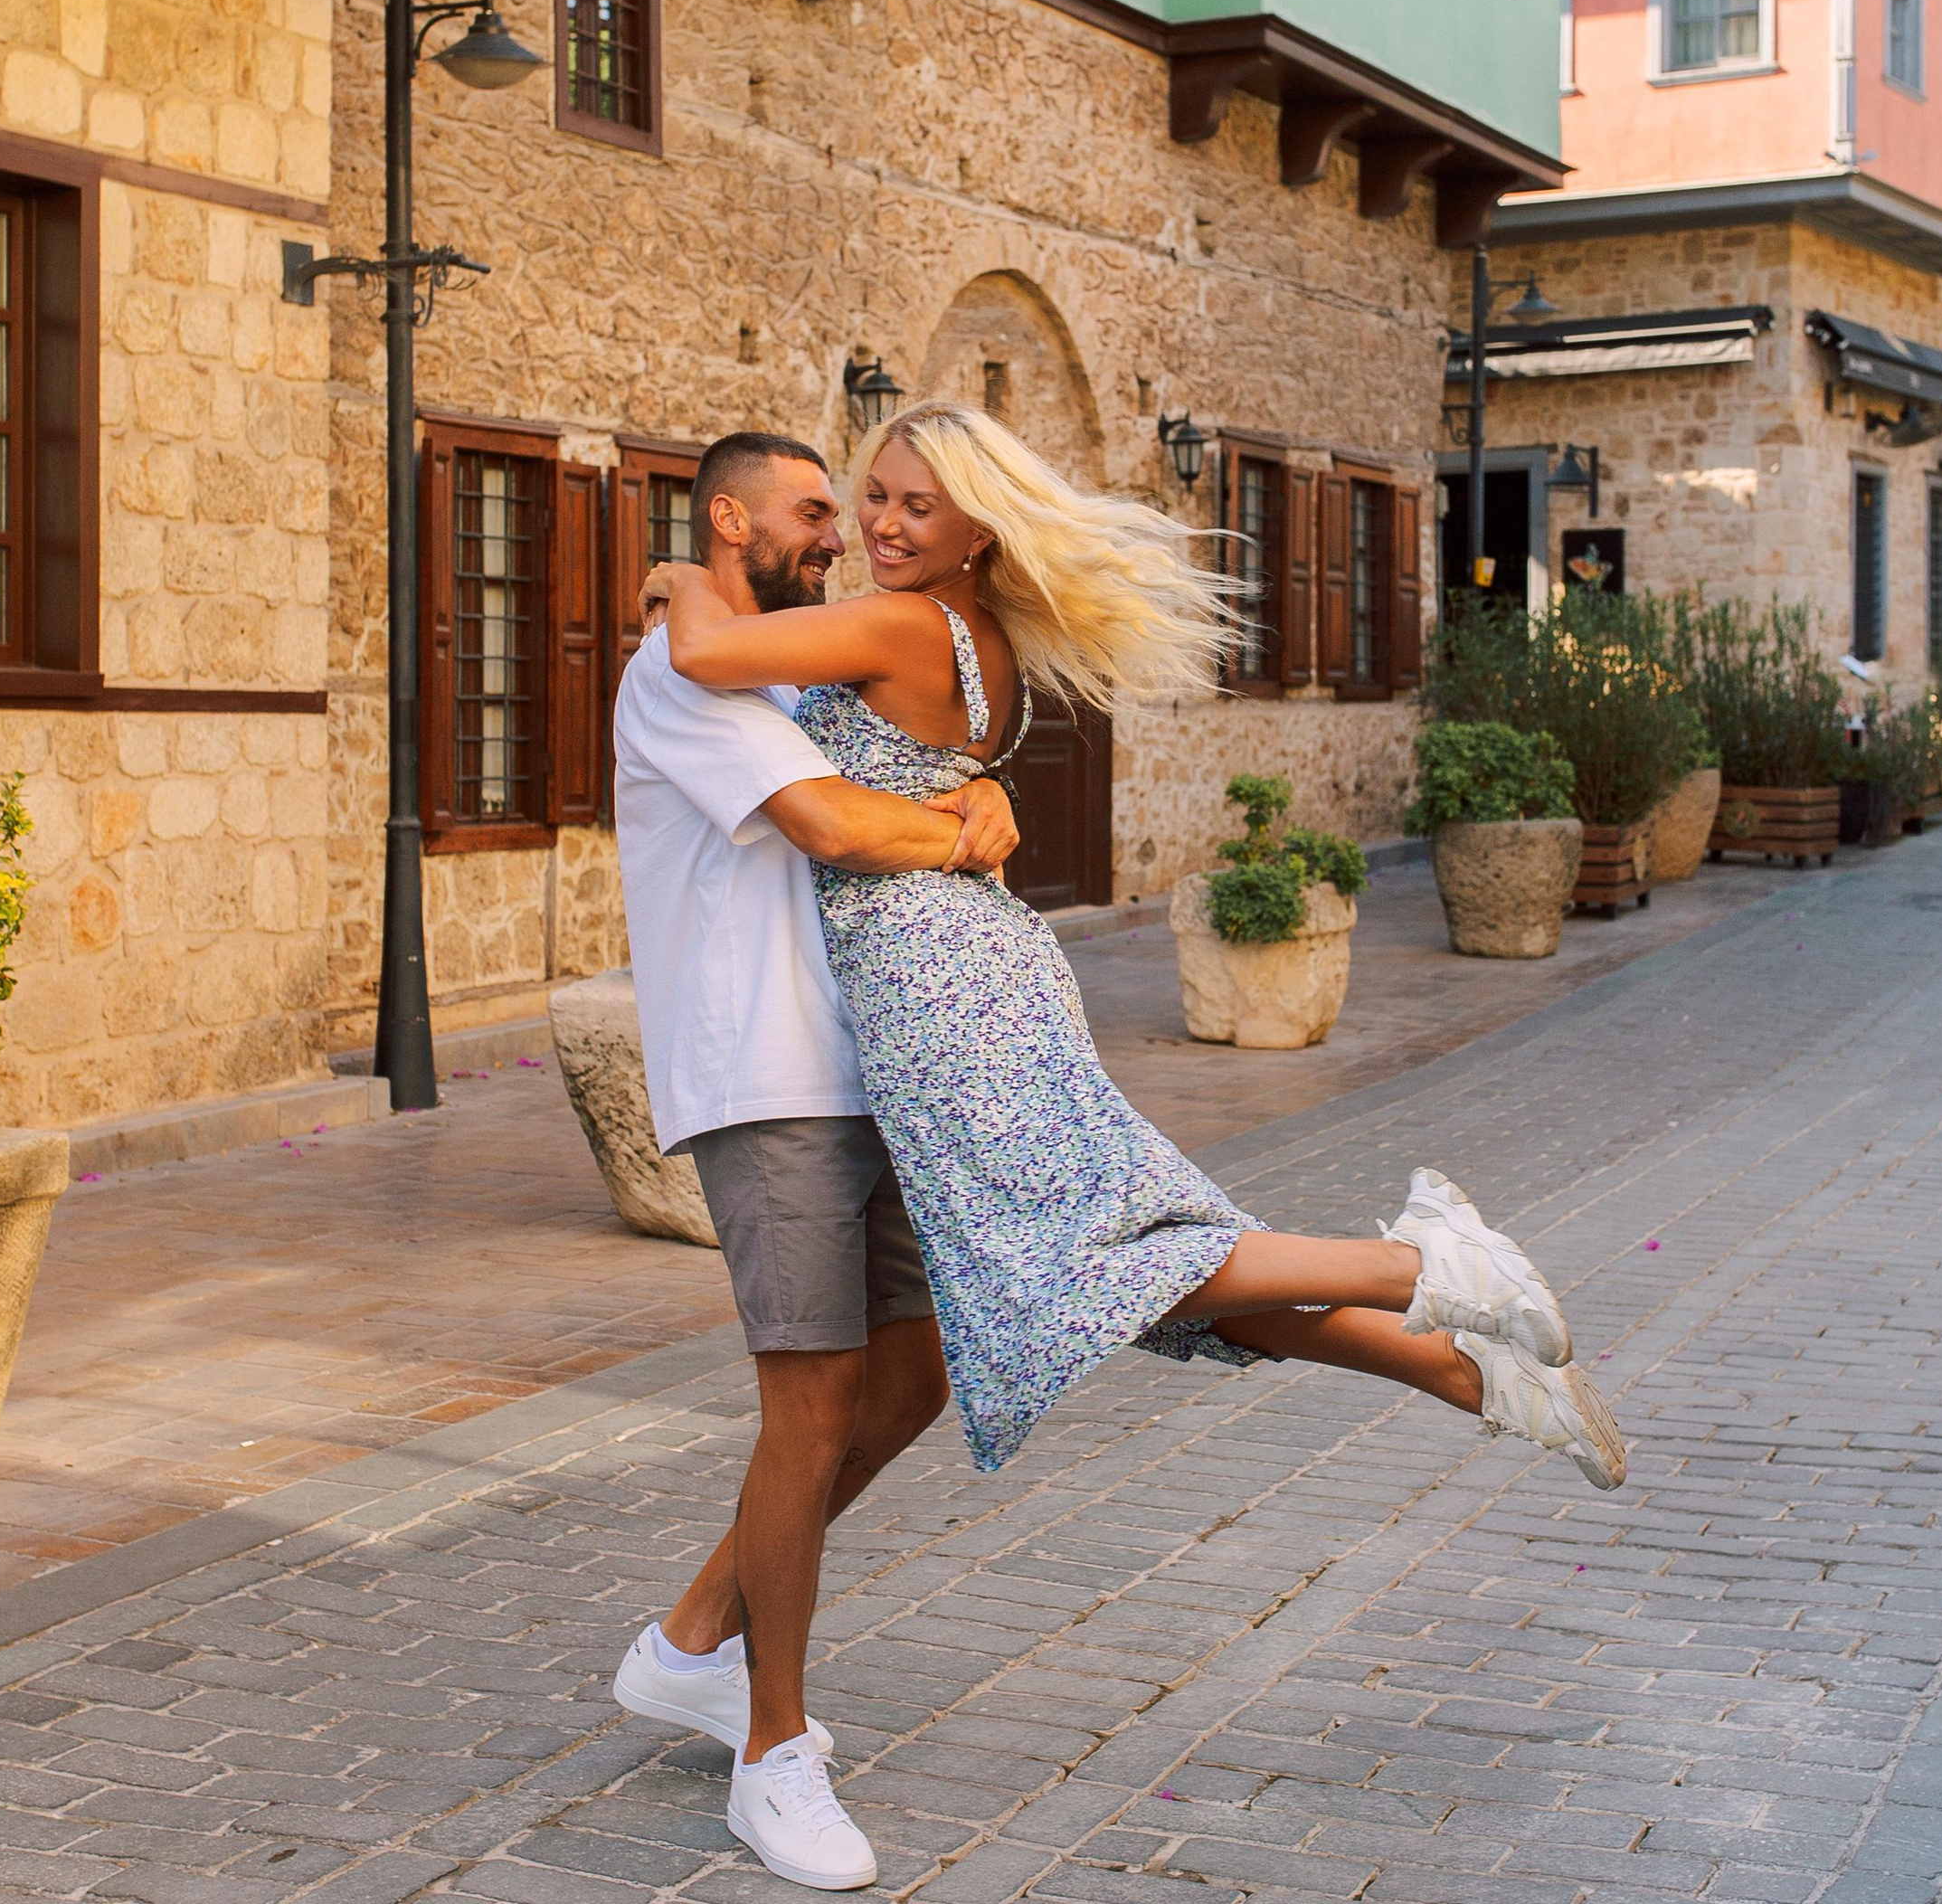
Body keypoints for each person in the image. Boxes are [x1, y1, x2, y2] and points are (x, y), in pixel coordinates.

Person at [640, 397, 1625, 1499]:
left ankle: (1424, 1266)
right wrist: (977, 795)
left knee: (1089, 1254)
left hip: (931, 980)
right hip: (974, 966)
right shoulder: (969, 636)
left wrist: (679, 577)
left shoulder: (903, 624)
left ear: (981, 532)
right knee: (1118, 1260)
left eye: (919, 506)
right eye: (874, 496)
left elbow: (709, 652)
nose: (882, 525)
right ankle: (1468, 1371)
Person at [607, 431, 1021, 1893]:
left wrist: (971, 798)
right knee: (813, 1403)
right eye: (811, 514)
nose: (839, 538)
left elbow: (911, 769)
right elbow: (832, 820)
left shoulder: (777, 664)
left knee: (913, 1372)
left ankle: (690, 1644)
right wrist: (961, 830)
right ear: (727, 519)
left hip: (867, 1069)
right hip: (762, 1074)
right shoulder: (680, 672)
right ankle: (771, 1757)